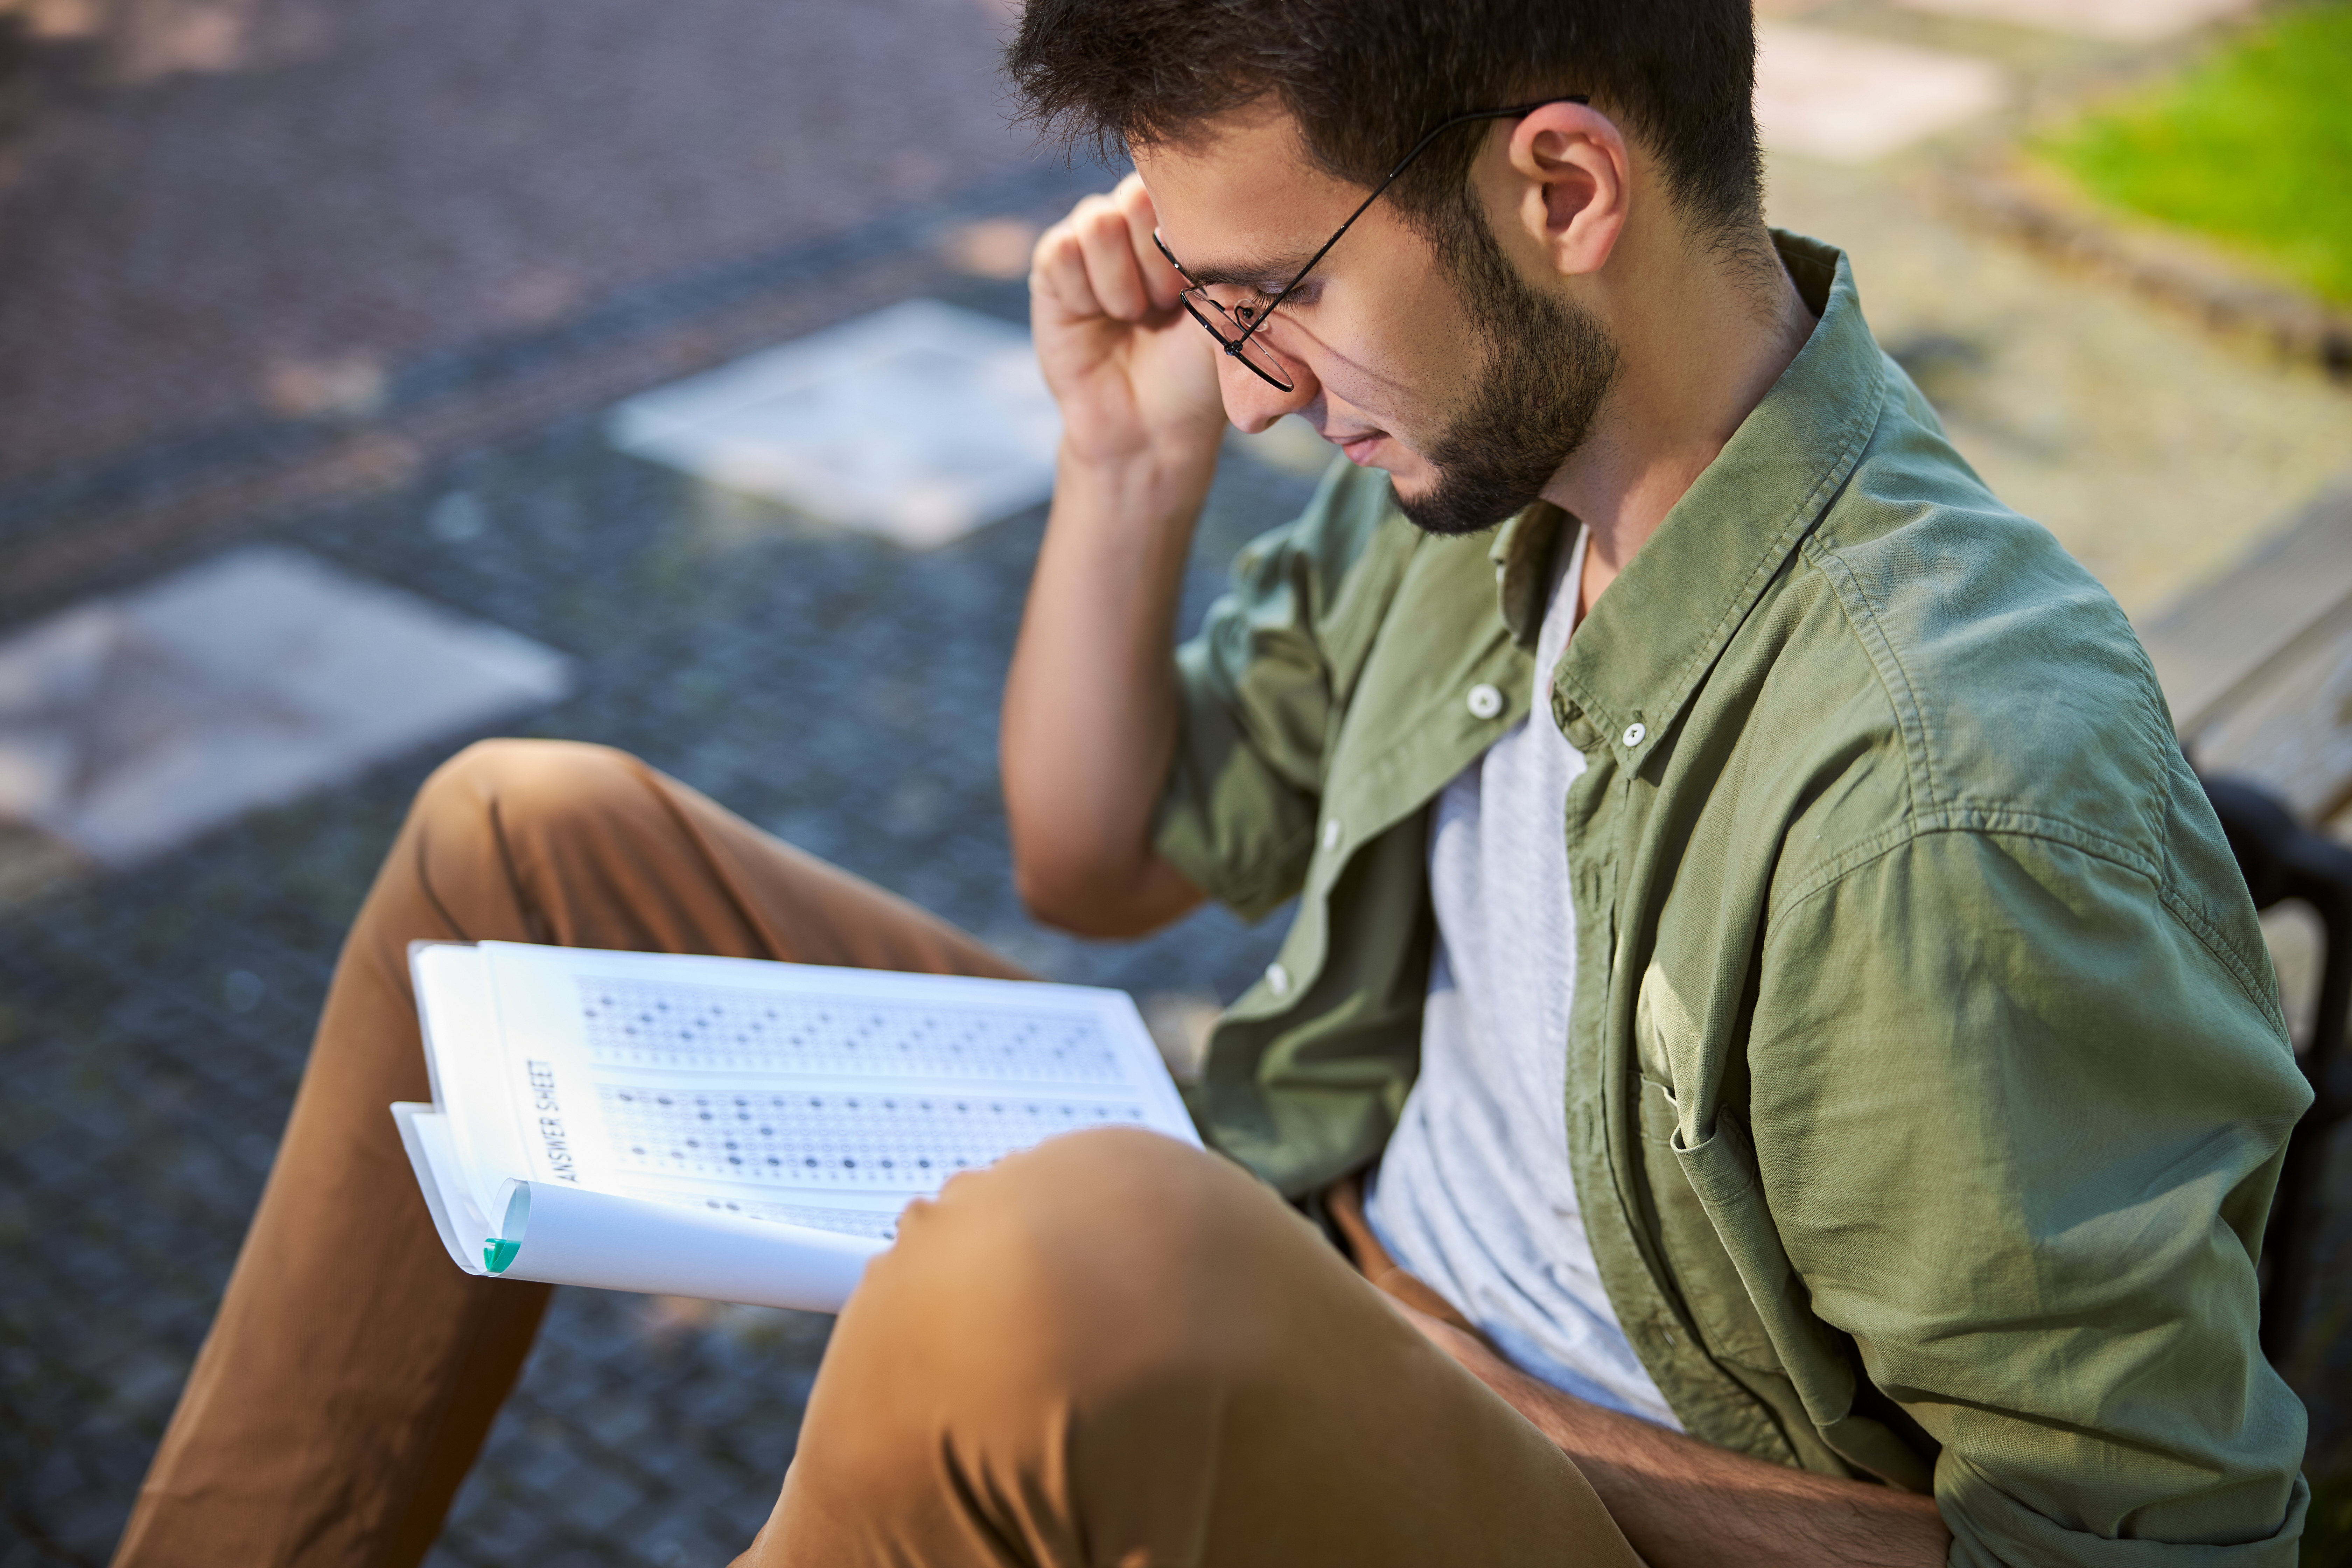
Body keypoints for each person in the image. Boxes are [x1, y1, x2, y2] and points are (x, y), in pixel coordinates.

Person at [115, 1, 2313, 1564]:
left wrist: (1413, 1384)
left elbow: (2144, 1540)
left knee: (1065, 1271)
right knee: (518, 842)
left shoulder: (1946, 797)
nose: (1254, 390)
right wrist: (1120, 458)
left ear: (1559, 184)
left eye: (1269, 298)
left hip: (1551, 1477)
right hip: (1313, 1253)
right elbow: (1098, 862)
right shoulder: (1483, 477)